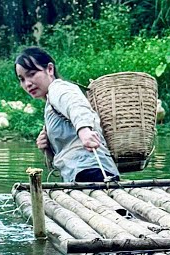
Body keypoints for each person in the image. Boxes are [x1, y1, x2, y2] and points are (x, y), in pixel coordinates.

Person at [14, 47, 120, 183]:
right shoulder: (50, 103)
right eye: (22, 79)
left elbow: (76, 106)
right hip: (79, 174)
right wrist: (47, 146)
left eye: (32, 74)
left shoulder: (59, 88)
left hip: (91, 171)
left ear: (50, 69)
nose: (27, 83)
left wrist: (84, 130)